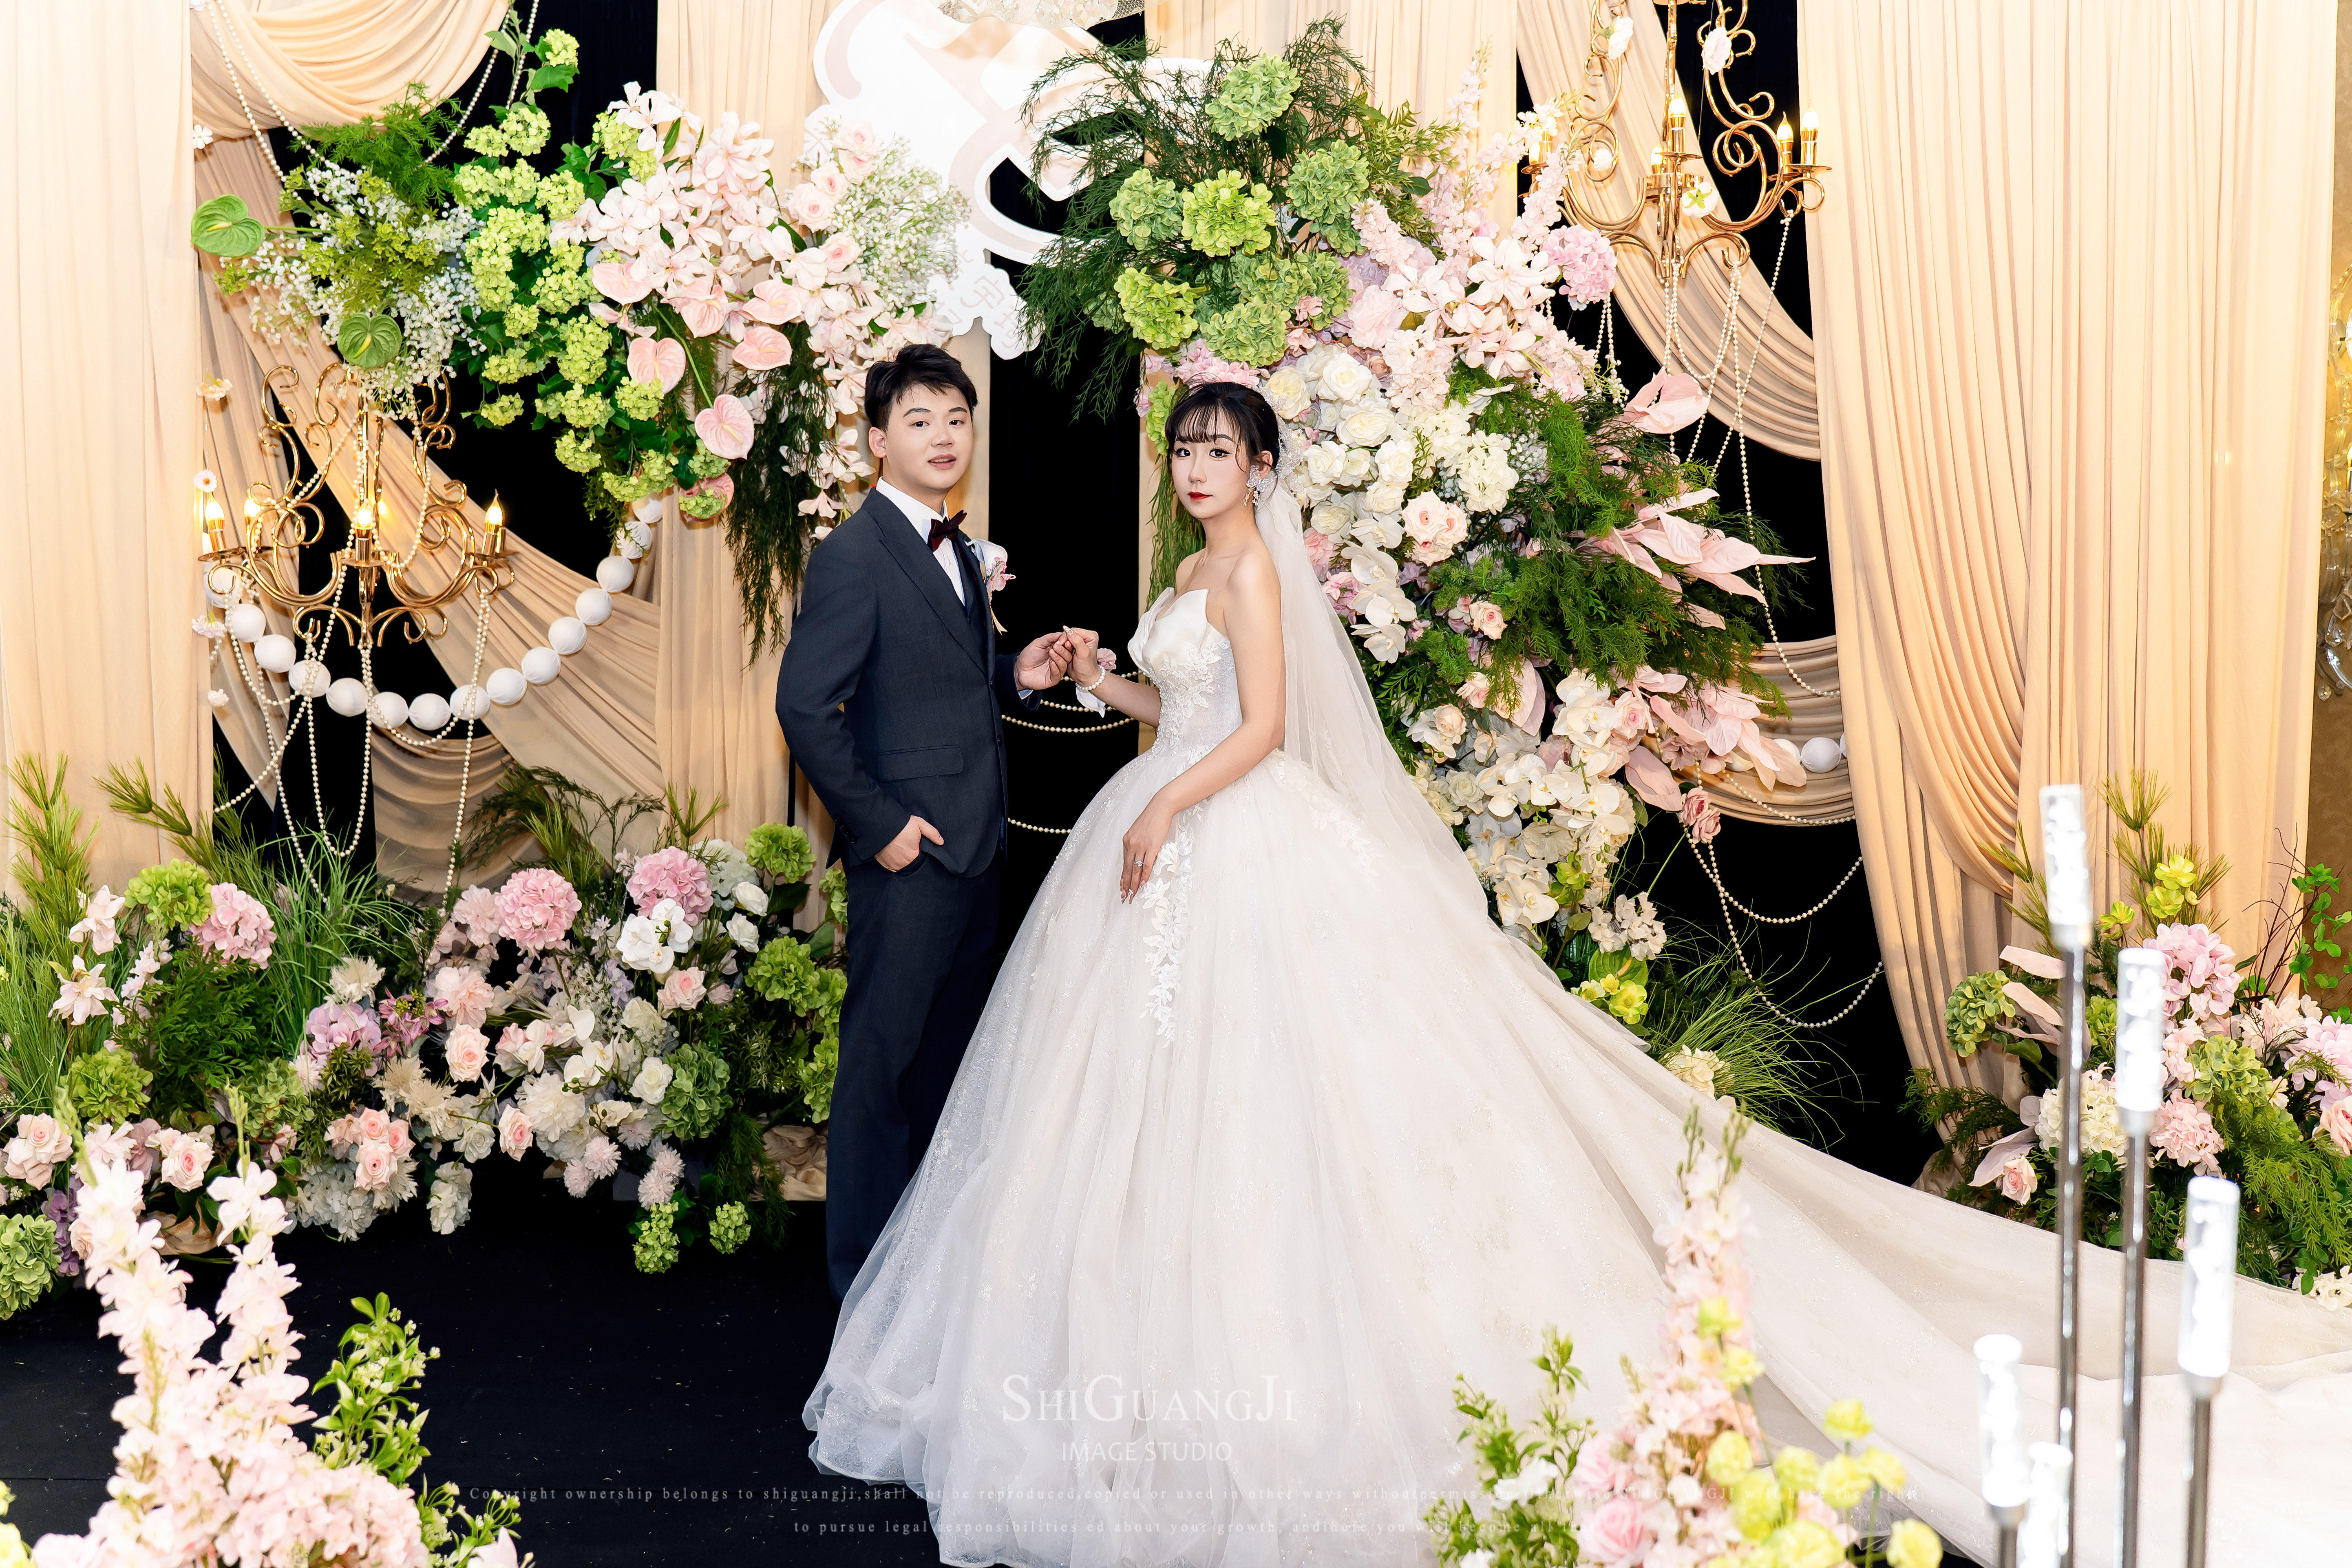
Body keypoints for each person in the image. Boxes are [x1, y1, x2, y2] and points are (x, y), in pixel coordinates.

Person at [800, 382, 2352, 1567]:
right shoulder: (1192, 577)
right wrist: (1107, 683)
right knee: (1143, 1116)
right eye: (1187, 450)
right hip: (1169, 832)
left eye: (1222, 450)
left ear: (1262, 468)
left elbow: (1262, 731)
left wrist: (1166, 809)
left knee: (1281, 1099)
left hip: (1227, 838)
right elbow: (1190, 708)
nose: (1200, 467)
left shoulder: (1256, 574)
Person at [776, 343, 1071, 1301]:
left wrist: (1016, 673)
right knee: (879, 1077)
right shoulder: (852, 556)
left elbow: (938, 681)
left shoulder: (956, 549)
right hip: (911, 858)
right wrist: (882, 826)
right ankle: (860, 1292)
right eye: (918, 421)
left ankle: (926, 1287)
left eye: (955, 419)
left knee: (947, 1076)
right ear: (876, 442)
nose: (943, 437)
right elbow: (804, 707)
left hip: (977, 849)